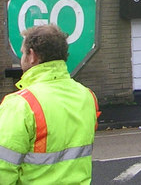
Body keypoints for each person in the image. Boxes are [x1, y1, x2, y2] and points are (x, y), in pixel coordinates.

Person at [0, 24, 100, 184]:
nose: (21, 59)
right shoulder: (87, 96)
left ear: (32, 55)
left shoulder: (21, 104)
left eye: (22, 53)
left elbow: (3, 170)